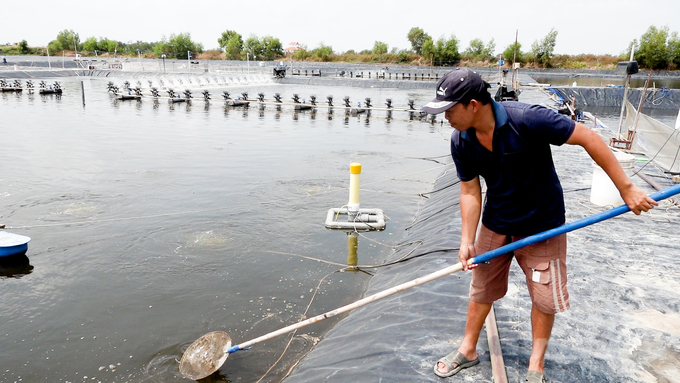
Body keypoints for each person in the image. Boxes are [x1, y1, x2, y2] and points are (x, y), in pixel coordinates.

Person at [422, 68, 656, 382]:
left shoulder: (528, 120)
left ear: (473, 105)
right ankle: (468, 350)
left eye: (449, 110)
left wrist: (626, 188)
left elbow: (588, 137)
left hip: (542, 225)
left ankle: (536, 366)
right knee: (481, 287)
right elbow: (469, 189)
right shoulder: (461, 140)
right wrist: (467, 238)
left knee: (544, 297)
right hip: (497, 222)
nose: (445, 117)